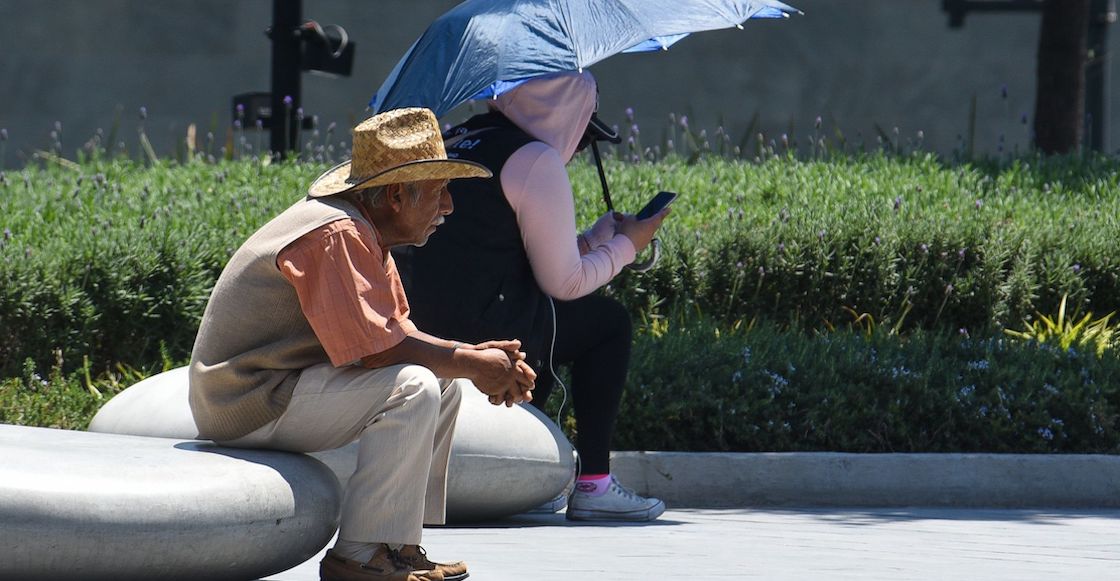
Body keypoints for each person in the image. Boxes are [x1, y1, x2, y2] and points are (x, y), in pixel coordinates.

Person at [188, 107, 536, 581]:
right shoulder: (338, 232)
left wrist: (471, 358)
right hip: (247, 402)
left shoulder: (364, 230)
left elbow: (393, 331)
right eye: (440, 192)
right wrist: (473, 362)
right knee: (415, 385)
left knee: (445, 383)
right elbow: (377, 351)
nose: (450, 207)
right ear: (396, 195)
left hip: (281, 389)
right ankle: (356, 556)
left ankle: (397, 544)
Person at [397, 71, 670, 522]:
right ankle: (594, 483)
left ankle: (539, 476)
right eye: (584, 125)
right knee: (606, 324)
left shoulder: (458, 137)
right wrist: (628, 246)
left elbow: (496, 250)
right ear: (564, 111)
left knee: (546, 314)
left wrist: (594, 240)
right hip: (484, 331)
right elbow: (563, 283)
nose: (581, 144)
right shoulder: (534, 158)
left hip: (424, 324)